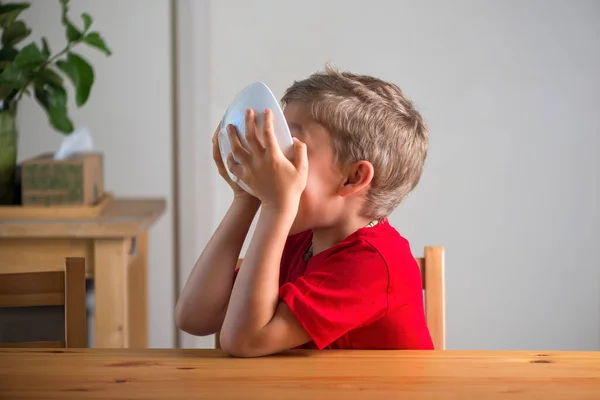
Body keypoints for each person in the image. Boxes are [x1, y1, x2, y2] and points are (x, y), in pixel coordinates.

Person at [175, 65, 433, 357]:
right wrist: (246, 196)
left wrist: (276, 205)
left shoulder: (376, 263)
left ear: (353, 177)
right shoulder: (301, 242)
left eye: (291, 146)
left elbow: (244, 341)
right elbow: (195, 317)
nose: (272, 160)